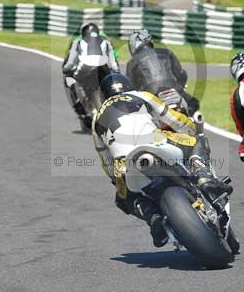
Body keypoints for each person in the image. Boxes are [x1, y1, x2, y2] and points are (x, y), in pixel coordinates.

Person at [92, 73, 230, 247]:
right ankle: (204, 178)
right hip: (155, 141)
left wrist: (117, 181)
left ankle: (153, 218)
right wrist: (193, 129)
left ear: (104, 95)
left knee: (123, 199)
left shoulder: (96, 119)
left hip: (124, 163)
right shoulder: (141, 95)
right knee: (197, 142)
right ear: (128, 85)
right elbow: (175, 119)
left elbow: (105, 160)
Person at [125, 28, 198, 114]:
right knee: (194, 104)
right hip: (173, 91)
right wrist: (179, 88)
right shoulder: (166, 52)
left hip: (151, 98)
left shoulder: (132, 62)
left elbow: (129, 87)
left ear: (133, 45)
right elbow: (182, 75)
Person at [62, 23, 120, 123]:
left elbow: (70, 62)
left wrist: (66, 69)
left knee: (71, 80)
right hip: (103, 68)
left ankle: (80, 107)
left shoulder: (78, 41)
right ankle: (114, 104)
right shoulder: (106, 41)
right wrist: (116, 72)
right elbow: (113, 63)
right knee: (110, 84)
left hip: (85, 68)